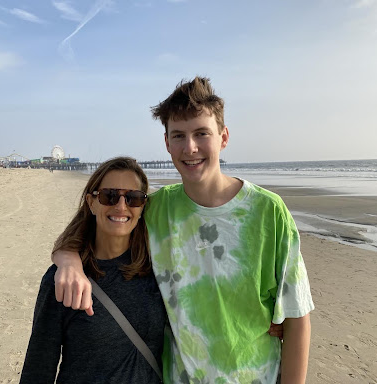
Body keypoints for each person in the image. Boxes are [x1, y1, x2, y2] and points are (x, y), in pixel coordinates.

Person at [53, 77, 314, 383]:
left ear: (223, 137)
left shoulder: (268, 212)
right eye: (179, 135)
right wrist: (68, 259)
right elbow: (95, 225)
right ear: (167, 143)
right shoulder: (156, 209)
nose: (190, 147)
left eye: (202, 133)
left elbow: (297, 317)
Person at [20, 157, 167, 383]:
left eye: (133, 198)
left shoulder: (157, 269)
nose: (121, 206)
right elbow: (38, 368)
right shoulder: (63, 280)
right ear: (91, 202)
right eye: (109, 195)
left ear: (143, 206)